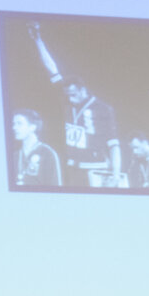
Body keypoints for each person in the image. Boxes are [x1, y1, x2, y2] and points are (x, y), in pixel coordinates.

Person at [27, 21, 121, 188]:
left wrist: (115, 174)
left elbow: (114, 145)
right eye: (67, 95)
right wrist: (38, 41)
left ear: (83, 90)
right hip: (72, 167)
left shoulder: (103, 109)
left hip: (96, 168)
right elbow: (52, 68)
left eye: (73, 94)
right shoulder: (66, 99)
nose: (70, 98)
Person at [10, 108, 61, 187]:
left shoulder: (47, 153)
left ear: (32, 127)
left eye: (19, 123)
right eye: (14, 124)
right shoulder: (15, 156)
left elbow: (55, 185)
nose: (14, 128)